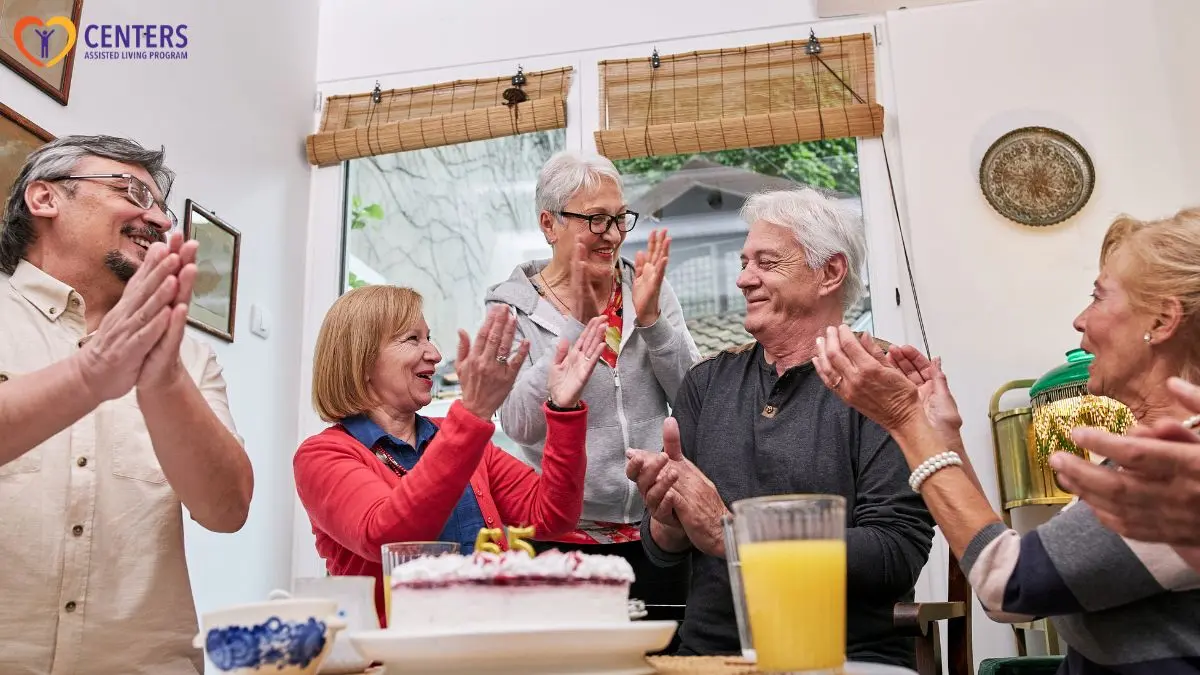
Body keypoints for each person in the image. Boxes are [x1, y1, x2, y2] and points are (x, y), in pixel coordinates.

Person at [813, 206, 1200, 674]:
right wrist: (943, 438)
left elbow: (1009, 584)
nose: (1080, 320)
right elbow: (1017, 588)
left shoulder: (1177, 476)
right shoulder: (1159, 460)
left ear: (1161, 322)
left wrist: (904, 420)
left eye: (1097, 297)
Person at [626, 188, 934, 667]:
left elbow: (895, 553)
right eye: (743, 262)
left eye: (765, 263)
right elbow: (664, 553)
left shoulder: (882, 384)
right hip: (708, 655)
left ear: (830, 272)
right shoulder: (706, 384)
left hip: (843, 658)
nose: (744, 279)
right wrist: (668, 518)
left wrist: (735, 536)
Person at [0, 135, 253, 674]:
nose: (158, 219)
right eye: (132, 192)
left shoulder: (188, 353)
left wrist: (164, 383)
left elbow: (227, 510)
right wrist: (90, 375)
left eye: (161, 206)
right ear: (44, 199)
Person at [293, 287, 608, 627]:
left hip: (491, 646)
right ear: (363, 359)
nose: (436, 354)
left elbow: (551, 515)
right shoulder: (322, 455)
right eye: (413, 339)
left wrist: (564, 410)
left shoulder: (455, 436)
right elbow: (387, 538)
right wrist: (474, 413)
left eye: (429, 337)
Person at [484, 151, 700, 607]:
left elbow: (693, 399)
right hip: (562, 539)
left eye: (621, 219)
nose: (615, 236)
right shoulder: (510, 309)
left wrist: (654, 319)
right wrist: (573, 328)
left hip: (658, 528)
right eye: (597, 220)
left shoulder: (644, 287)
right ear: (549, 224)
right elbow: (519, 425)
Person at [1052, 376, 1200, 571]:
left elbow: (1017, 582)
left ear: (1155, 341)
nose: (1084, 344)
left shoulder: (1178, 474)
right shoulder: (1121, 464)